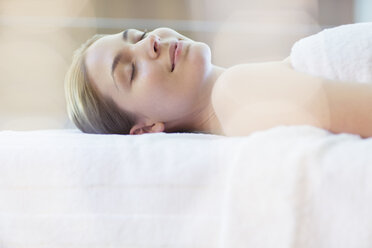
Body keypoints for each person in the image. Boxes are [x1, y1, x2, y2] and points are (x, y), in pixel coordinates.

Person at [64, 27, 372, 138]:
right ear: (146, 128)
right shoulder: (232, 91)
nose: (152, 42)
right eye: (130, 70)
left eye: (141, 35)